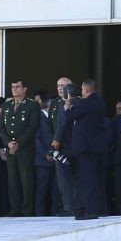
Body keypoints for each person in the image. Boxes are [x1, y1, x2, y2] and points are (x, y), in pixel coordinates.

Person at [65, 79, 108, 220]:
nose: (81, 93)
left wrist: (68, 105)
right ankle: (97, 208)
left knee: (88, 180)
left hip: (86, 148)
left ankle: (91, 210)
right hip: (96, 147)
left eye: (83, 90)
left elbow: (70, 116)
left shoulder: (87, 103)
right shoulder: (99, 102)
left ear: (86, 90)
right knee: (95, 179)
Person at [0, 79, 40, 216]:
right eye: (12, 87)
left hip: (25, 148)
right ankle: (14, 209)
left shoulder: (32, 105)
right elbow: (1, 127)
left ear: (25, 89)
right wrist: (8, 142)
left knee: (26, 180)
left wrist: (18, 143)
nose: (14, 89)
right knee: (12, 179)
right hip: (10, 147)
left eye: (17, 87)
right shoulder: (7, 105)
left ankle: (26, 210)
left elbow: (32, 127)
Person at [49, 77, 75, 216]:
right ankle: (66, 206)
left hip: (68, 145)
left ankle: (72, 207)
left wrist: (57, 140)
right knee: (61, 179)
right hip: (56, 147)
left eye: (63, 85)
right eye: (58, 85)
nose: (60, 88)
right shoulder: (54, 103)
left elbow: (64, 124)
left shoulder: (74, 101)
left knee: (69, 178)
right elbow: (50, 125)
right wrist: (52, 143)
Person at [34, 95, 57, 216]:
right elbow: (36, 139)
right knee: (41, 190)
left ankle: (54, 213)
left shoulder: (55, 117)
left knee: (55, 190)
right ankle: (39, 215)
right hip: (42, 161)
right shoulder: (38, 117)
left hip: (55, 159)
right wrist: (45, 154)